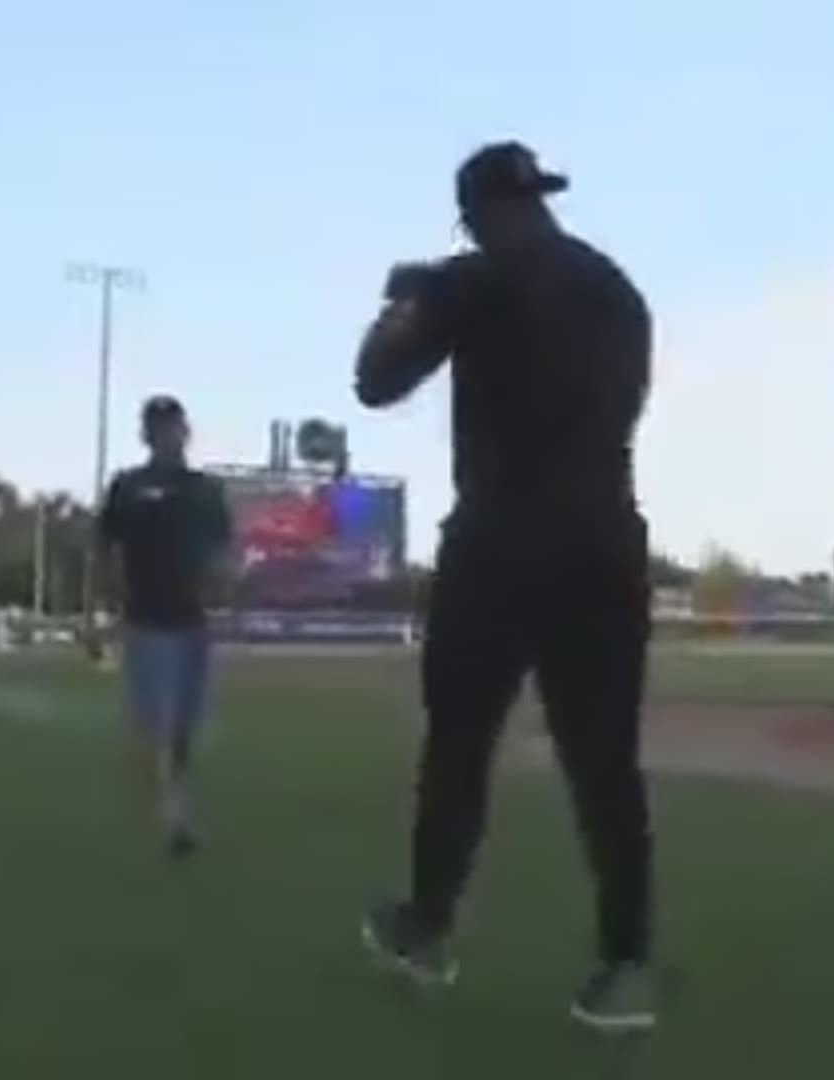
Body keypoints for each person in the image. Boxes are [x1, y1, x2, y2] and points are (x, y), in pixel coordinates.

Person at [353, 141, 659, 1033]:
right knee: (606, 769)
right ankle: (625, 965)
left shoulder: (469, 283)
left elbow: (375, 382)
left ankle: (427, 928)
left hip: (499, 544)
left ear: (476, 214)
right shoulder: (618, 292)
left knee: (458, 751)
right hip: (606, 543)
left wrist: (411, 301)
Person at [97, 394, 232, 858]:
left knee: (185, 724)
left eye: (173, 425)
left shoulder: (204, 490)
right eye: (158, 427)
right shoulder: (129, 486)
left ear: (185, 431)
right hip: (147, 617)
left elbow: (221, 550)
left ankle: (168, 793)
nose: (167, 434)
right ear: (147, 434)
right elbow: (108, 548)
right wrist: (109, 606)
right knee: (158, 720)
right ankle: (174, 816)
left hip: (193, 619)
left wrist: (224, 586)